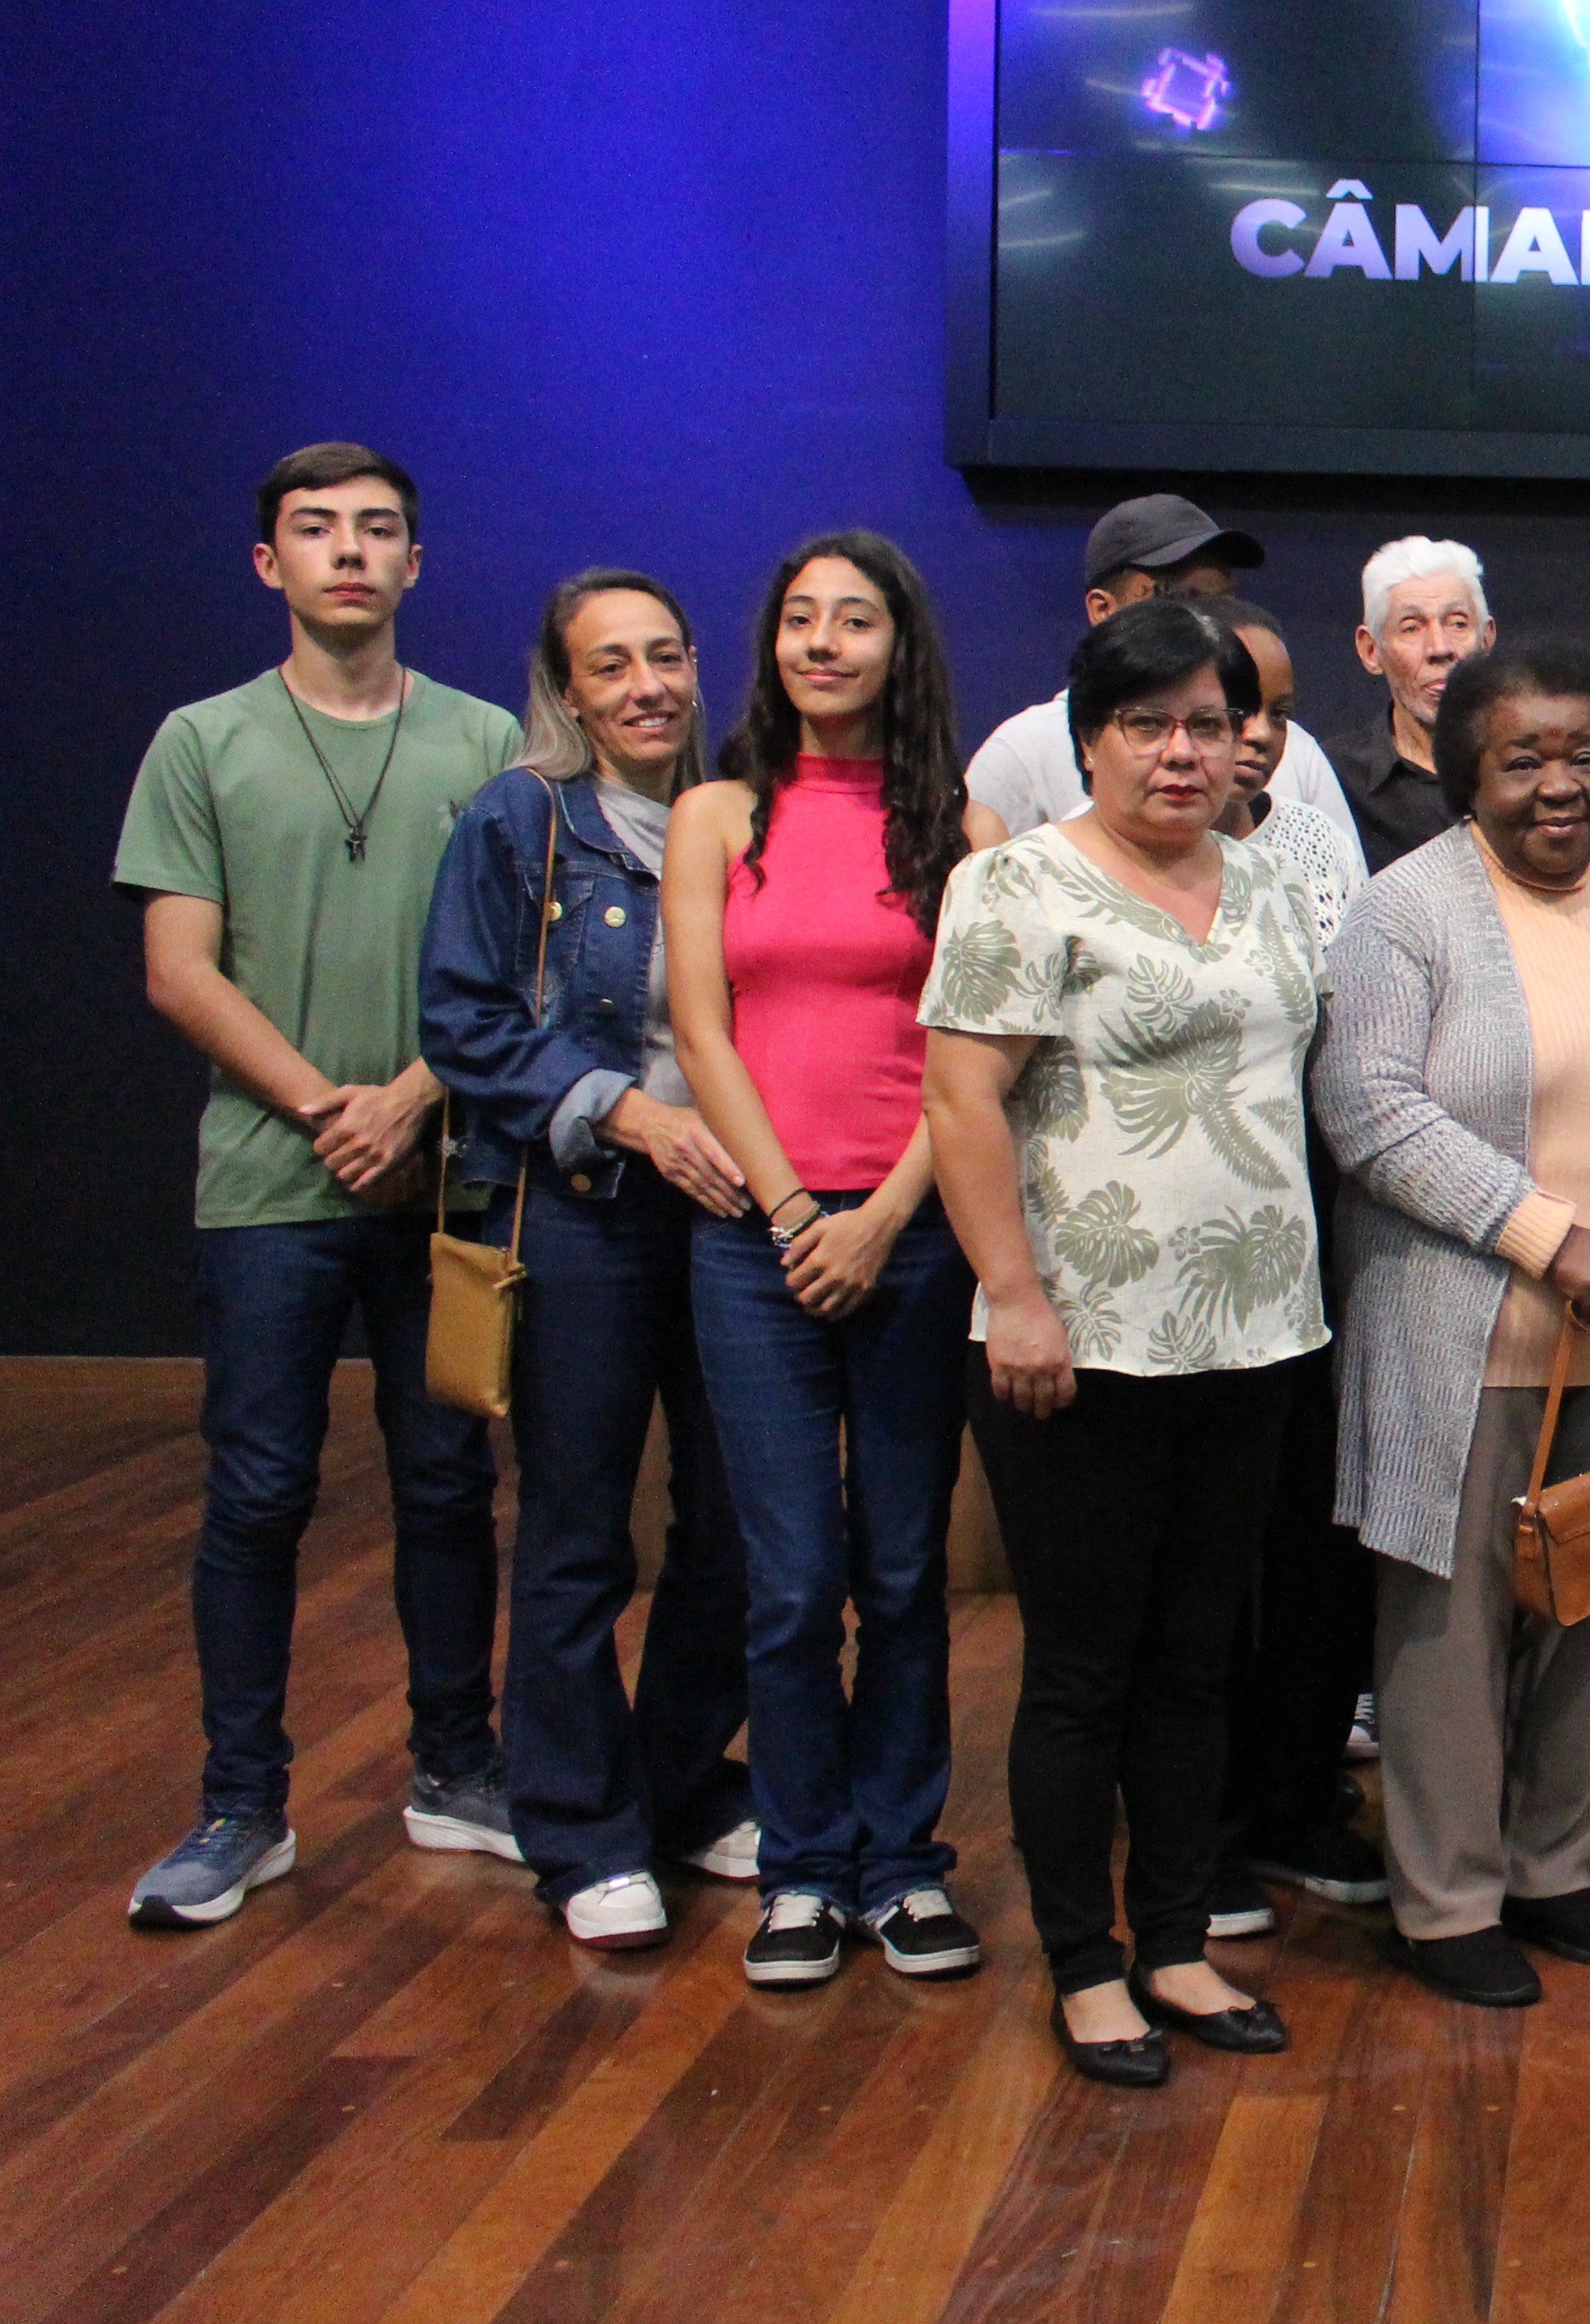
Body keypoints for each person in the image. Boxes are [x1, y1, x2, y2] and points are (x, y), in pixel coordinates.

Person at [926, 599, 1332, 2086]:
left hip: (1258, 1330)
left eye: (1207, 725)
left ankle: (1172, 1940)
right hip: (1078, 1337)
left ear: (1244, 743)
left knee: (1194, 1662)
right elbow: (964, 1104)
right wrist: (1014, 1296)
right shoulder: (1015, 885)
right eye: (1146, 725)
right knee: (1082, 1669)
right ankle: (1084, 1965)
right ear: (1085, 739)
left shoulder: (1277, 886)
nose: (1180, 751)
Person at [117, 443, 519, 1928]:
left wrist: (414, 1096)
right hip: (268, 1183)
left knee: (448, 1483)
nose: (348, 552)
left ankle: (456, 1770)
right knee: (261, 1492)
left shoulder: (486, 743)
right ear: (265, 563)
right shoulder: (200, 742)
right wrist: (324, 1106)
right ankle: (242, 1806)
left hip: (449, 1174)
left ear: (417, 564)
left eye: (378, 531)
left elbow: (520, 962)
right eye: (314, 529)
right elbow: (177, 968)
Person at [1316, 645, 1590, 2009]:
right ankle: (1446, 1900)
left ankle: (1556, 1871)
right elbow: (1369, 1111)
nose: (1561, 785)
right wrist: (1551, 1236)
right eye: (1523, 759)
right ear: (1465, 773)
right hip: (1464, 1344)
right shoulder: (1406, 911)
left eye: (1585, 756)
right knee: (1446, 1640)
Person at [418, 570, 761, 1950]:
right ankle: (576, 1827)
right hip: (589, 1205)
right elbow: (464, 1019)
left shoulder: (743, 813)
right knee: (577, 1529)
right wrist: (632, 1116)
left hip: (738, 1205)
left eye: (666, 655)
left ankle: (674, 1784)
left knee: (737, 1528)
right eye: (608, 665)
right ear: (565, 691)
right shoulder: (524, 819)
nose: (645, 686)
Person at [667, 531, 984, 1991]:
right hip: (755, 1239)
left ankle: (901, 1861)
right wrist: (795, 1214)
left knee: (906, 1568)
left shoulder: (959, 825)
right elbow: (701, 1030)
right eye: (800, 618)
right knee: (792, 1581)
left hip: (915, 1234)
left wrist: (882, 1216)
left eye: (854, 621)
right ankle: (801, 1868)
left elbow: (978, 1051)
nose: (824, 643)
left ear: (897, 646)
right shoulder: (720, 812)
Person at [1204, 594, 1384, 1935]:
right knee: (1201, 1551)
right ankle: (1192, 1822)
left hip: (1326, 1231)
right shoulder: (1088, 857)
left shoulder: (1326, 854)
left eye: (1270, 708)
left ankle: (1296, 1795)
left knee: (1318, 1544)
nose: (1252, 735)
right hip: (1177, 1241)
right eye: (1223, 707)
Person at [962, 494, 1361, 853]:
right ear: (1103, 610)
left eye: (1223, 603)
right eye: (1183, 600)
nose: (1207, 622)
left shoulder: (1289, 749)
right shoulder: (1021, 750)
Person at [1334, 535, 1496, 872]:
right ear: (1370, 650)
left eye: (1457, 623)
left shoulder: (1532, 766)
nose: (1439, 647)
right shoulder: (1334, 780)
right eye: (1411, 628)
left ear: (1487, 639)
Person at [1218, 600, 1365, 937]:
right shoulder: (1103, 848)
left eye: (1279, 714)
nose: (1261, 733)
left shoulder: (1317, 839)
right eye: (1240, 708)